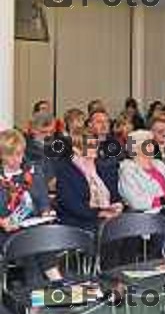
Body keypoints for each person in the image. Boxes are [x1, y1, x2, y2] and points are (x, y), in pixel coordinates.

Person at [0, 129, 62, 291]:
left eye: (19, 154)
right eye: (10, 155)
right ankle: (59, 286)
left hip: (31, 228)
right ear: (1, 155)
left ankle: (44, 298)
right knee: (33, 245)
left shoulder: (33, 173)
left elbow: (43, 201)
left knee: (37, 241)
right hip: (6, 232)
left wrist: (46, 212)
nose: (16, 159)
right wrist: (2, 222)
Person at [55, 130, 122, 230]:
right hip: (79, 222)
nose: (95, 148)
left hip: (104, 217)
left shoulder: (101, 166)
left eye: (96, 144)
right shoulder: (66, 170)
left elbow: (113, 193)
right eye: (90, 145)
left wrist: (116, 205)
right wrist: (99, 213)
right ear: (76, 149)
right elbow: (73, 205)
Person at [118, 130, 165, 211]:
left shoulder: (159, 164)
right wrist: (164, 200)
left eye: (151, 143)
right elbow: (136, 202)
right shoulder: (127, 171)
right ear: (135, 149)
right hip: (147, 216)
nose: (152, 147)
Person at [25, 111, 59, 188]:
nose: (48, 135)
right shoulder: (26, 150)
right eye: (44, 132)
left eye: (52, 132)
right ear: (33, 130)